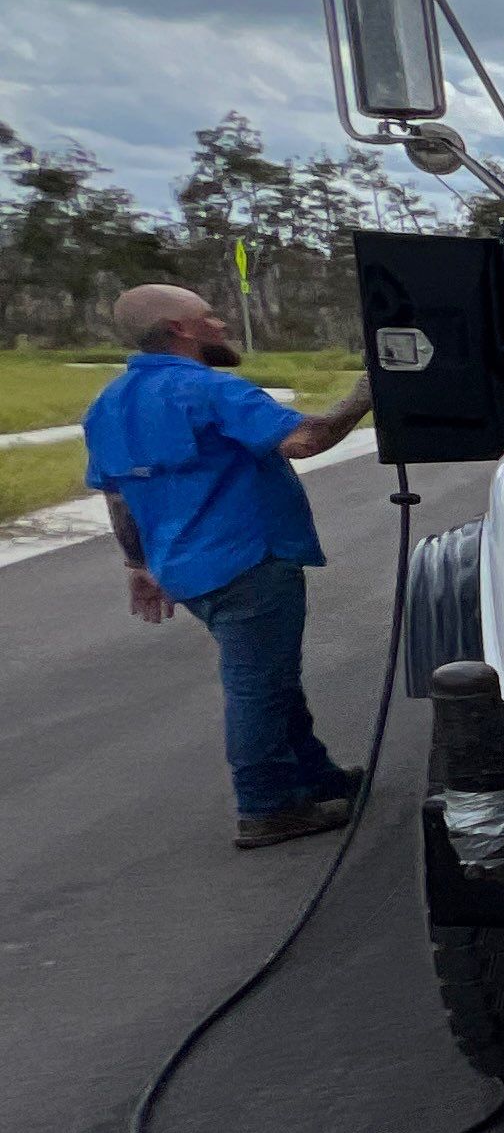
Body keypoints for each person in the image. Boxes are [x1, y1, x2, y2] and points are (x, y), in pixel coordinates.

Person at [84, 284, 378, 848]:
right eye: (209, 317)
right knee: (258, 686)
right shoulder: (207, 388)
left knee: (271, 678)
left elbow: (117, 496)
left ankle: (315, 780)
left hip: (182, 568)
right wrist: (365, 394)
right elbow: (303, 440)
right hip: (247, 560)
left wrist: (137, 565)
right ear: (181, 330)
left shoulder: (109, 404)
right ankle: (266, 806)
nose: (221, 325)